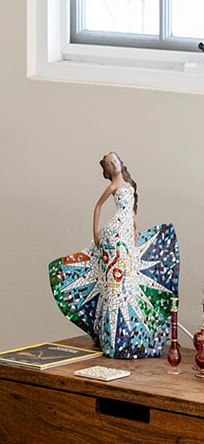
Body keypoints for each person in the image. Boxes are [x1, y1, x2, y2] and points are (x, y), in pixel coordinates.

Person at [49, 153, 180, 358]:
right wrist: (95, 232)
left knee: (128, 280)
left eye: (115, 161)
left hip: (127, 233)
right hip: (115, 233)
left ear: (120, 163)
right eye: (110, 163)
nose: (114, 164)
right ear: (108, 170)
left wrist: (136, 228)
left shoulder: (128, 184)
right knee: (116, 283)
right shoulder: (112, 187)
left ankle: (127, 337)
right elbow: (98, 206)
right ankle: (113, 339)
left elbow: (132, 210)